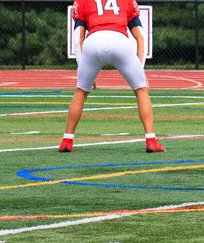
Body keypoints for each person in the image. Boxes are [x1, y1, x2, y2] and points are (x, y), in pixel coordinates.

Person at [59, 0, 165, 153]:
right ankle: (151, 140)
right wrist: (140, 70)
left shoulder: (82, 2)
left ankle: (67, 141)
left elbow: (78, 38)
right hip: (119, 41)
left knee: (81, 91)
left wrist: (82, 67)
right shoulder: (128, 1)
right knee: (141, 89)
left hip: (93, 42)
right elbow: (140, 37)